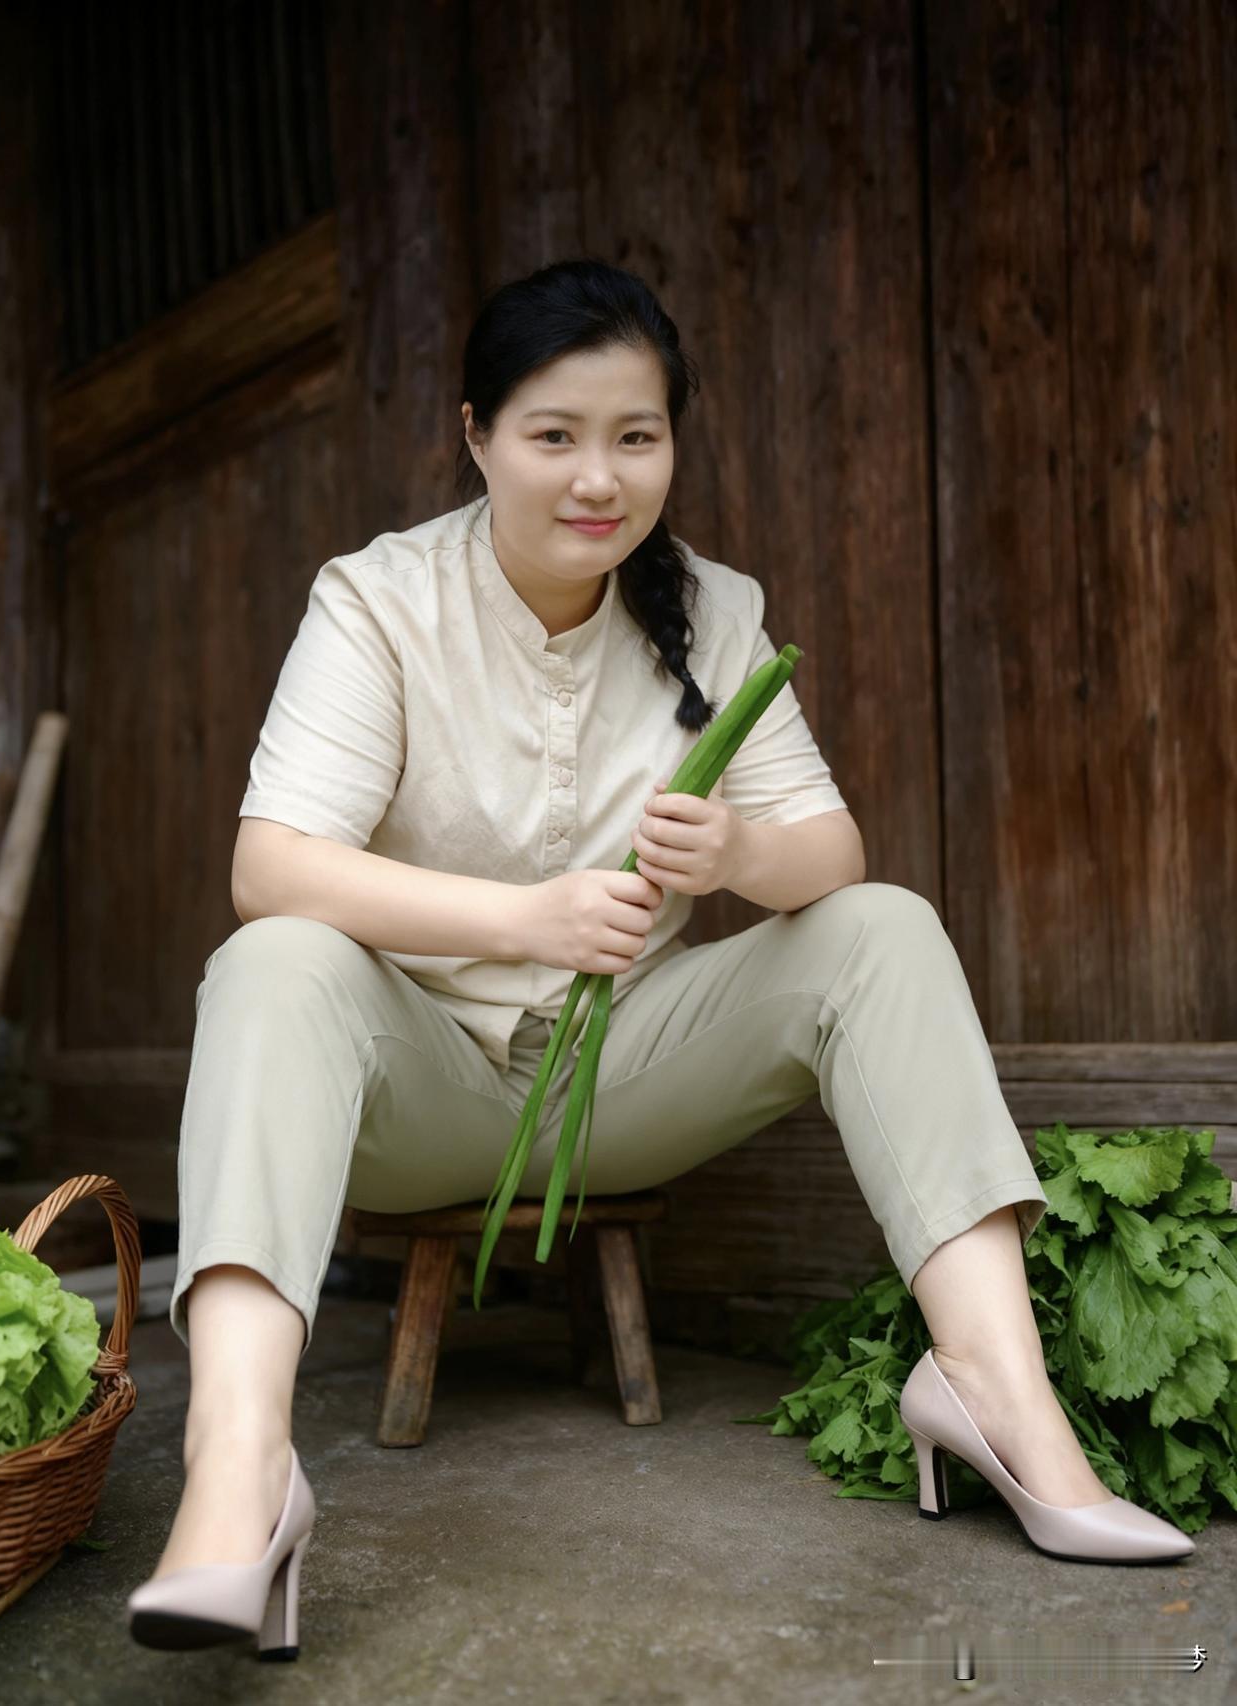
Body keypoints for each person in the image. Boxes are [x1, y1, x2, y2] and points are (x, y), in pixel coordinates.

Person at [126, 260, 1192, 1654]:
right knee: (268, 961)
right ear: (475, 436)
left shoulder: (715, 607)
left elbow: (836, 856)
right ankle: (239, 1472)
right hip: (416, 1084)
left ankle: (997, 1394)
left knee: (884, 930)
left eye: (636, 436)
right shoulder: (378, 602)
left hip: (627, 1078)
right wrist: (525, 919)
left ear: (674, 441)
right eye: (553, 435)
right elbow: (270, 865)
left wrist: (737, 854)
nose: (599, 477)